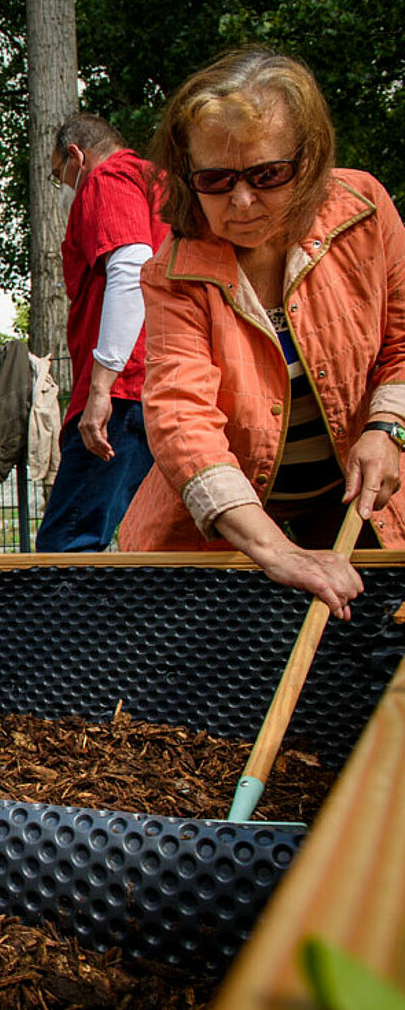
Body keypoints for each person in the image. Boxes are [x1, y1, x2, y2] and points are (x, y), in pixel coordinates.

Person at [118, 48, 405, 621]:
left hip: (358, 509)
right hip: (225, 538)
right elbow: (182, 417)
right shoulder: (171, 272)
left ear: (310, 158)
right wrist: (273, 548)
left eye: (268, 175)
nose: (242, 201)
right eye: (216, 180)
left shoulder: (366, 211)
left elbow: (402, 342)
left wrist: (389, 427)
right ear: (186, 176)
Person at [34, 115, 170, 552]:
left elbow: (131, 268)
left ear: (76, 155)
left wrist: (100, 389)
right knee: (150, 543)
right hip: (172, 385)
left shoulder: (106, 178)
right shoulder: (163, 186)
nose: (68, 188)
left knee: (65, 547)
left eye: (61, 177)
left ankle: (57, 623)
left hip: (126, 391)